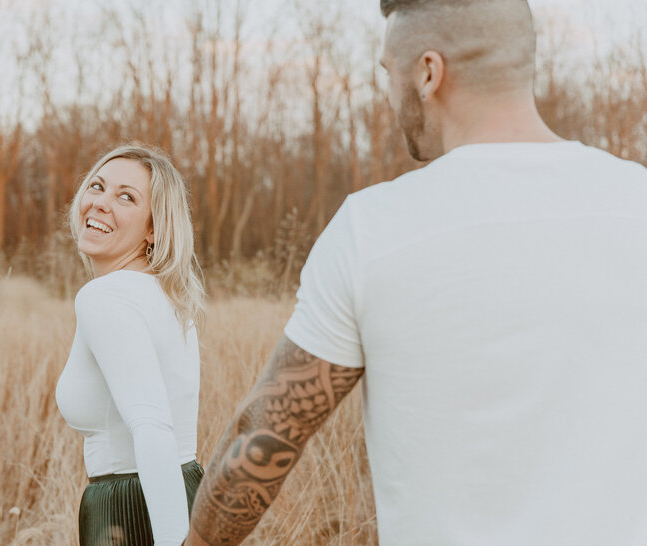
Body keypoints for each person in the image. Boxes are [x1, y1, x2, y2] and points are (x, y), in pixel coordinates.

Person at [185, 1, 647, 545]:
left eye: (389, 72)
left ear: (428, 73)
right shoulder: (636, 202)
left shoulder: (372, 230)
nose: (388, 93)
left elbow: (263, 437)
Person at [56, 144, 205, 546]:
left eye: (126, 197)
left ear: (154, 228)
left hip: (133, 510)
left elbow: (153, 426)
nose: (100, 203)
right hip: (186, 490)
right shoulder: (170, 297)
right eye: (97, 186)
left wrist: (175, 541)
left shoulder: (105, 296)